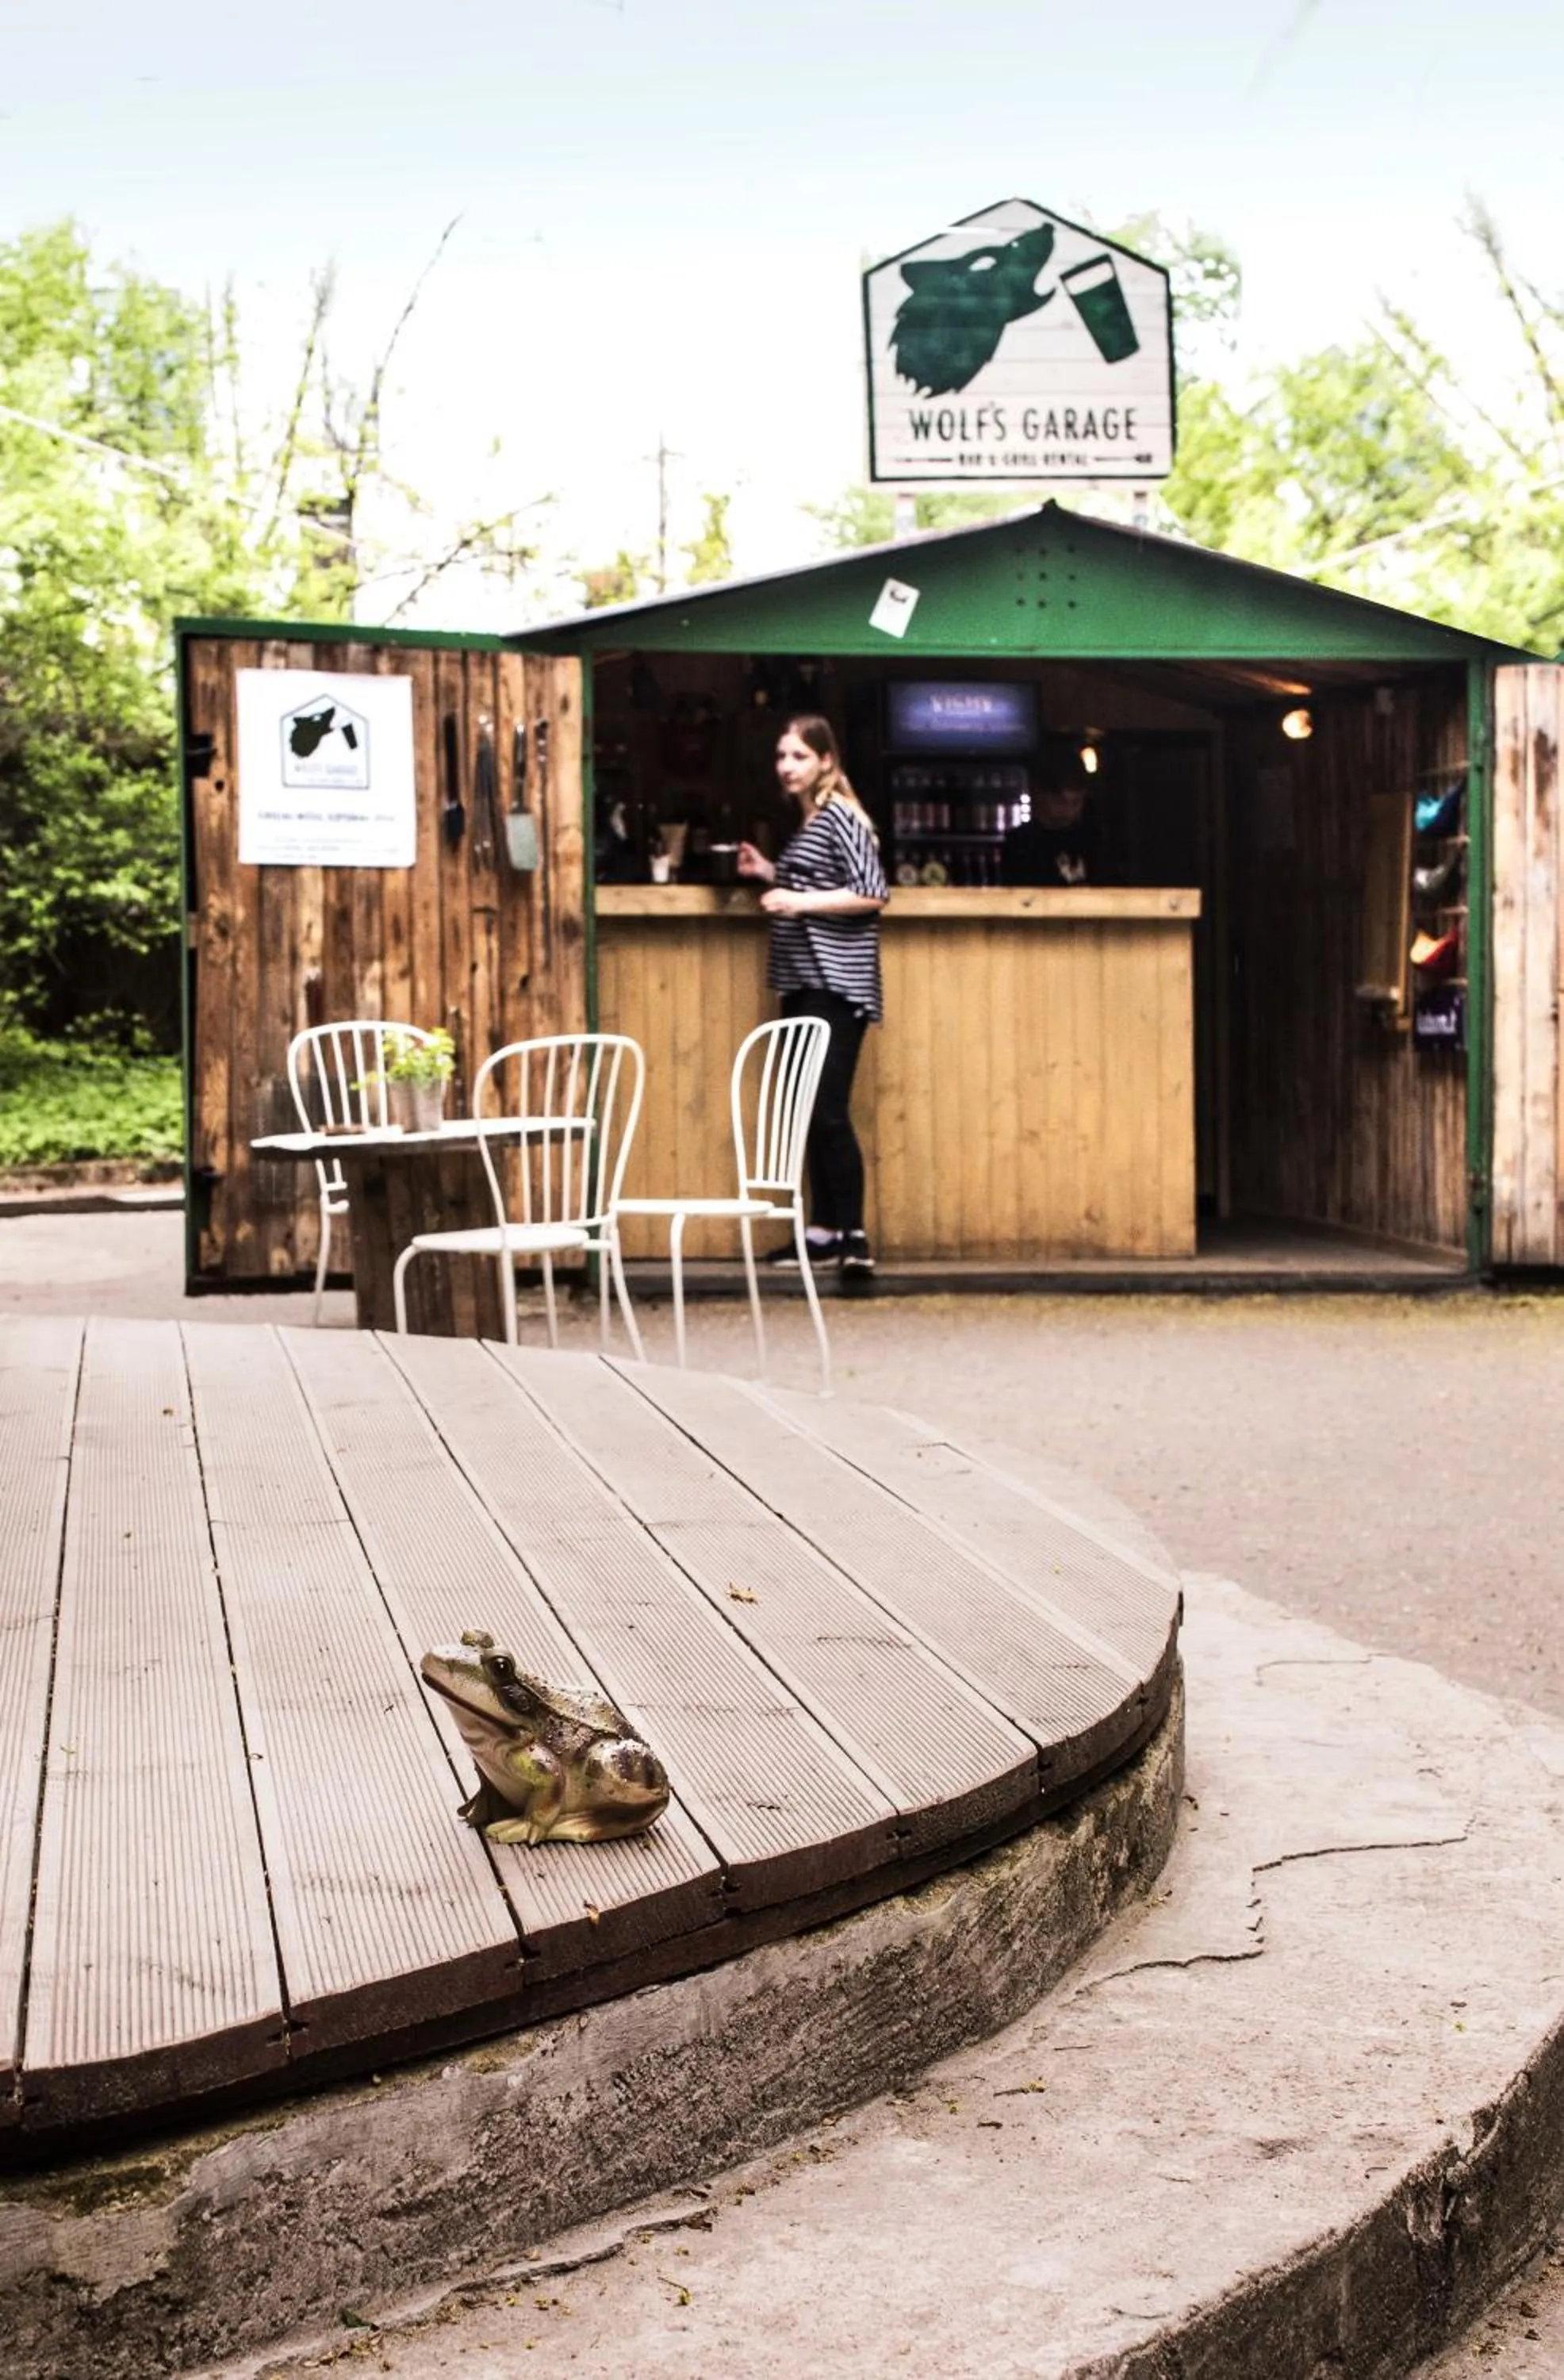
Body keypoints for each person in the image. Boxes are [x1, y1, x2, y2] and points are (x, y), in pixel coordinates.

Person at [737, 715, 887, 1288]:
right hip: (802, 982)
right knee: (809, 1112)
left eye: (798, 756)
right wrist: (769, 872)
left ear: (827, 760)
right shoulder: (813, 821)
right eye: (782, 756)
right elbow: (821, 884)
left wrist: (798, 902)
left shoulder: (842, 816)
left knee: (828, 1111)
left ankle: (855, 1239)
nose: (786, 766)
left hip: (837, 984)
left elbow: (873, 892)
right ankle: (822, 1233)